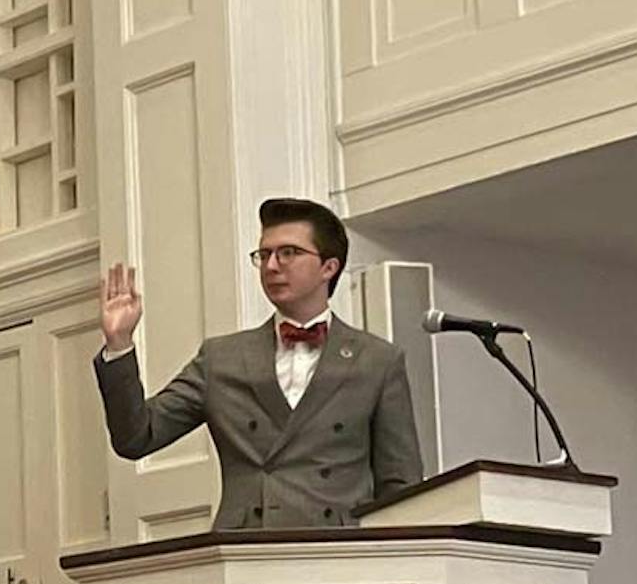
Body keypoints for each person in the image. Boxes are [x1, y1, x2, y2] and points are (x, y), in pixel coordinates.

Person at [94, 197, 423, 529]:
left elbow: (400, 486)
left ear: (329, 267)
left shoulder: (377, 361)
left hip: (338, 556)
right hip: (244, 554)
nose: (272, 266)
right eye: (264, 255)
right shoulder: (222, 359)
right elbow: (137, 437)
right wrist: (119, 344)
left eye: (289, 253)